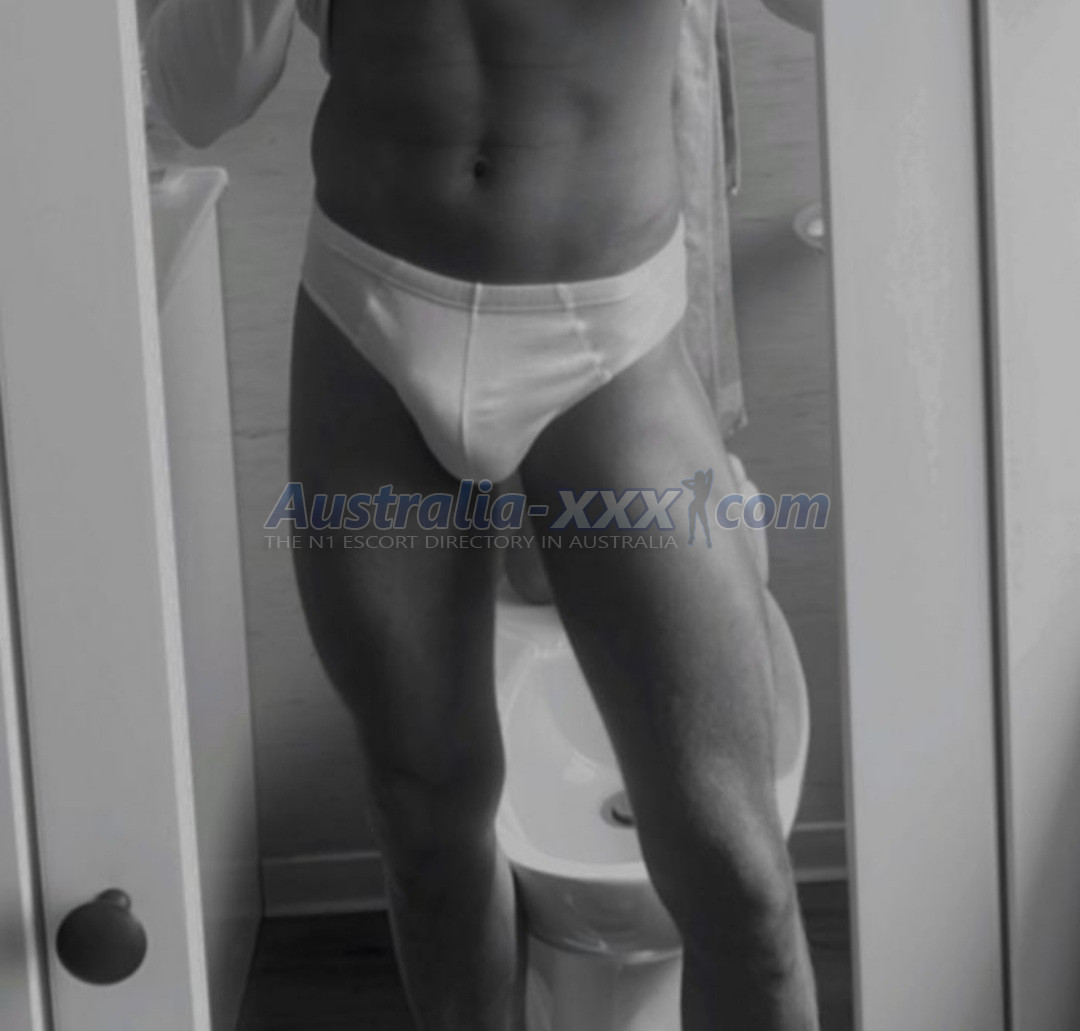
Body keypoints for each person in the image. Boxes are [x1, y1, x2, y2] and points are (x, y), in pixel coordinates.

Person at [144, 1, 821, 1027]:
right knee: (424, 820)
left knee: (739, 873)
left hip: (606, 342)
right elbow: (196, 98)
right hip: (371, 315)